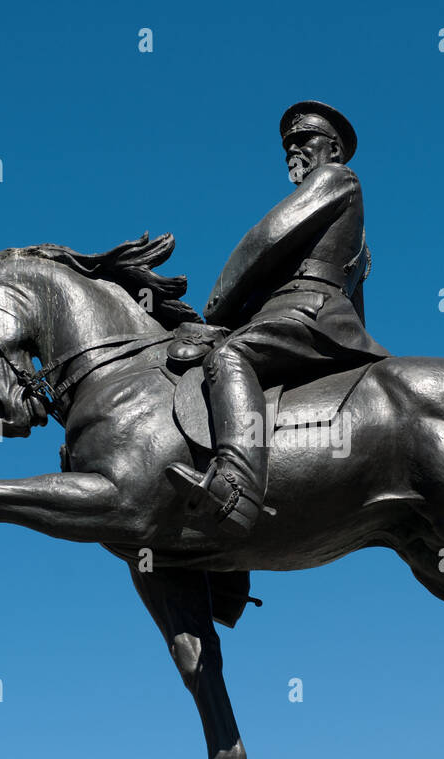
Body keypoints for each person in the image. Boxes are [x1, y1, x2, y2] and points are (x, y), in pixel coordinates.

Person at [166, 101, 390, 537]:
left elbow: (264, 239)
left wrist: (216, 309)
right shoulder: (355, 230)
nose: (294, 149)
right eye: (289, 143)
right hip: (321, 319)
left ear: (335, 150)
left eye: (305, 140)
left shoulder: (337, 178)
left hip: (308, 313)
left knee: (229, 357)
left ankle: (235, 489)